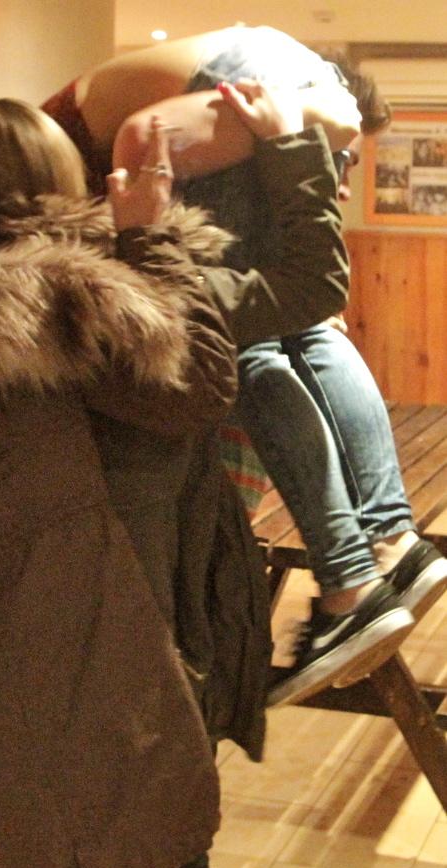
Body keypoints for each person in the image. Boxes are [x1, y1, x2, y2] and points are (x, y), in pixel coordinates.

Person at [0, 92, 357, 868]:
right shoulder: (133, 295)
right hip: (130, 648)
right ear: (68, 176)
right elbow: (311, 284)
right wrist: (286, 150)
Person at [43, 26, 447, 706]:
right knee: (300, 323)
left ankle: (349, 580)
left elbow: (140, 138)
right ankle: (390, 537)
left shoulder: (50, 136)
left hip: (242, 86)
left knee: (245, 336)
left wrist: (137, 228)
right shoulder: (302, 81)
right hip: (267, 83)